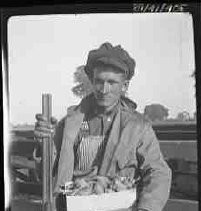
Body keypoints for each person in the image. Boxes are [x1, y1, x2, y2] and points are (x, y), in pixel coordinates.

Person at [34, 42, 171, 211]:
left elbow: (158, 172)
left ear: (125, 86)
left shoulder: (138, 127)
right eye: (99, 81)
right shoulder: (69, 123)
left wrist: (146, 208)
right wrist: (43, 144)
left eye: (112, 82)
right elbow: (47, 173)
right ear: (92, 81)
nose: (104, 89)